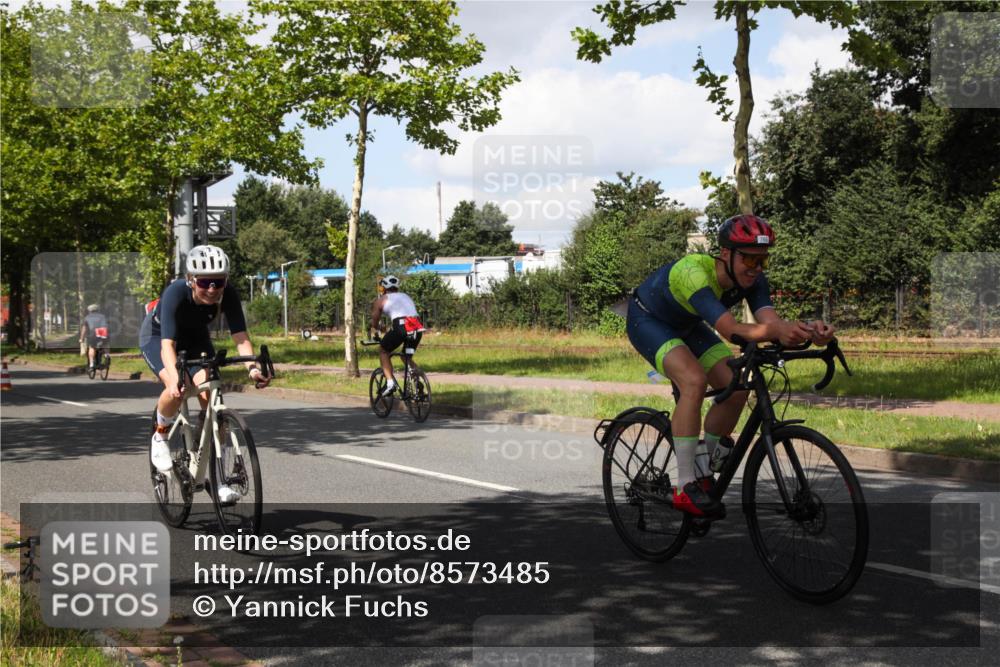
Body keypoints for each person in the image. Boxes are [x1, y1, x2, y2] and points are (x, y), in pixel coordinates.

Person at [627, 214, 835, 517]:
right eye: (749, 260)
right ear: (725, 254)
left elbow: (771, 324)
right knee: (694, 381)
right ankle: (686, 485)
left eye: (762, 261)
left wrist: (807, 333)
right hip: (649, 321)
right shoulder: (694, 273)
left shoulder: (753, 278)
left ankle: (703, 467)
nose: (756, 269)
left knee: (736, 388)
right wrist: (777, 331)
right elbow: (729, 329)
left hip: (688, 326)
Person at [140, 245, 270, 503]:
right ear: (191, 280)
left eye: (218, 282)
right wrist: (176, 376)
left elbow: (241, 337)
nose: (212, 288)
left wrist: (253, 369)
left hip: (197, 339)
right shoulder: (175, 293)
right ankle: (160, 434)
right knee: (178, 387)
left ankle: (214, 476)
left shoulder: (228, 294)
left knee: (213, 401)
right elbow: (168, 346)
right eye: (205, 282)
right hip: (158, 338)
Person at [369, 275, 425, 397]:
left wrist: (378, 328)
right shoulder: (406, 296)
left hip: (401, 327)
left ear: (384, 288)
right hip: (417, 327)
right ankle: (417, 381)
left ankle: (390, 384)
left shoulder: (382, 300)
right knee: (406, 357)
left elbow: (374, 322)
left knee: (383, 351)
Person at [80, 304, 109, 370]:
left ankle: (91, 364)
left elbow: (84, 329)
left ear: (89, 310)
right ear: (98, 310)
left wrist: (81, 338)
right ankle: (106, 354)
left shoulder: (87, 317)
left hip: (93, 333)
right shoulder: (102, 316)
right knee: (105, 344)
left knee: (92, 348)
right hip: (102, 331)